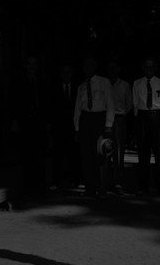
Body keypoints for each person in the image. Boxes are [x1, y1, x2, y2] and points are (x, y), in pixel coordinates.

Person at [74, 56, 115, 197]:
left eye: (91, 65)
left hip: (99, 119)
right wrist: (77, 128)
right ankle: (89, 188)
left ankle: (102, 187)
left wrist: (108, 125)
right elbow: (77, 109)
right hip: (86, 120)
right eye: (85, 66)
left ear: (95, 67)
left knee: (101, 154)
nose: (88, 68)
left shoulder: (104, 82)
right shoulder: (81, 86)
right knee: (87, 155)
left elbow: (110, 104)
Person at [13, 54, 50, 197]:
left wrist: (47, 122)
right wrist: (15, 120)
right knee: (27, 154)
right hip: (25, 121)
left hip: (39, 122)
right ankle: (28, 187)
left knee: (40, 154)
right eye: (29, 64)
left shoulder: (42, 81)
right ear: (25, 65)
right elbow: (14, 100)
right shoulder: (19, 81)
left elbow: (46, 102)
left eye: (35, 64)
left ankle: (40, 187)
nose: (32, 67)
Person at [132, 57, 160, 198]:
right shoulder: (137, 83)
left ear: (155, 68)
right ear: (143, 68)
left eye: (151, 67)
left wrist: (159, 118)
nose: (148, 69)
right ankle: (143, 187)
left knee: (159, 154)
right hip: (142, 118)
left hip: (157, 118)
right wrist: (139, 117)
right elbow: (135, 103)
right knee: (143, 154)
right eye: (146, 67)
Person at [49, 62, 82, 190]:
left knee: (74, 155)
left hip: (74, 127)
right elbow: (51, 107)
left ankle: (76, 179)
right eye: (64, 72)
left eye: (69, 72)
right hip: (59, 127)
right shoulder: (54, 88)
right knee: (57, 155)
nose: (66, 75)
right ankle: (55, 181)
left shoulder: (78, 88)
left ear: (72, 74)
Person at [106, 59, 133, 196]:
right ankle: (103, 180)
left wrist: (121, 114)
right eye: (110, 67)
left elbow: (129, 104)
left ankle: (117, 181)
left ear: (119, 69)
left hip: (119, 120)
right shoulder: (103, 84)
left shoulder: (125, 85)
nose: (112, 70)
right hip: (104, 120)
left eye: (115, 67)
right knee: (104, 150)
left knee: (118, 152)